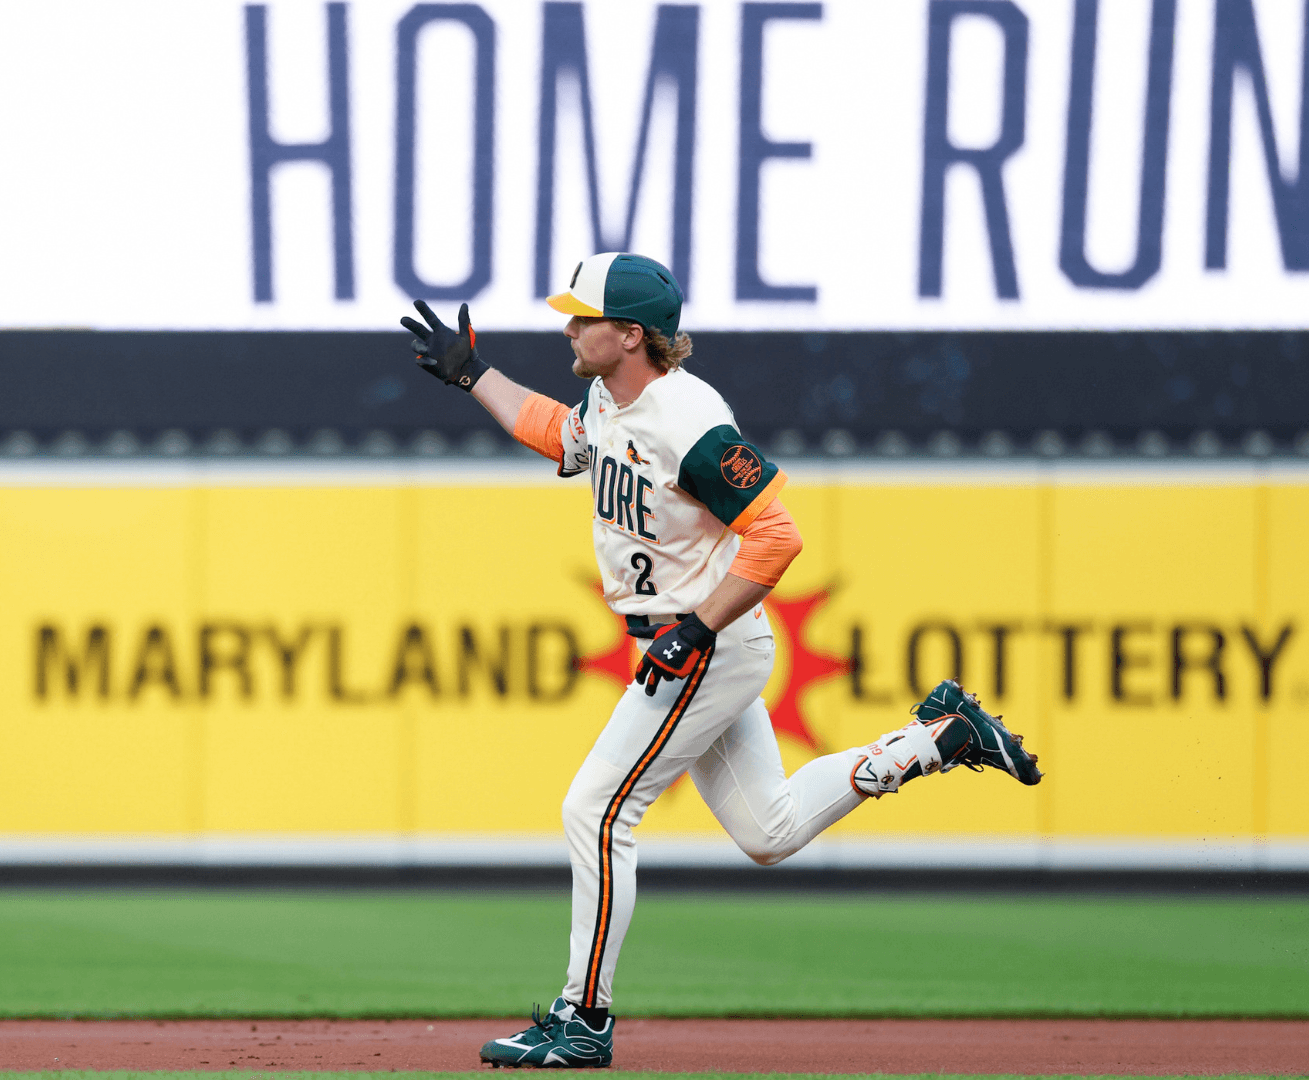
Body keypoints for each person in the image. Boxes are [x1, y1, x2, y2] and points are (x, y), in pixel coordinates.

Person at [399, 252, 1042, 1069]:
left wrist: (698, 628)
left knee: (595, 812)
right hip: (695, 640)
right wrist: (474, 376)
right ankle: (939, 739)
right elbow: (562, 434)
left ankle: (583, 1018)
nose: (568, 326)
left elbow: (777, 534)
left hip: (708, 642)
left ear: (631, 335)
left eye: (584, 317)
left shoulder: (688, 419)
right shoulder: (608, 397)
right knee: (767, 831)